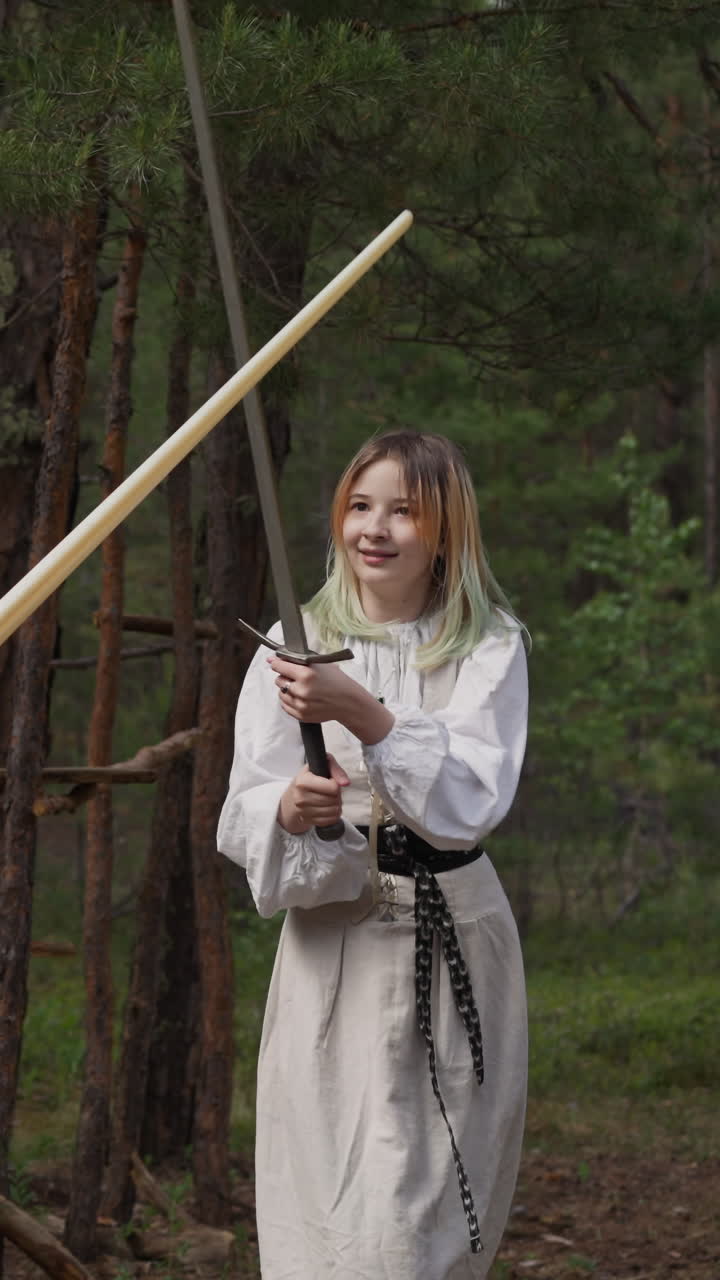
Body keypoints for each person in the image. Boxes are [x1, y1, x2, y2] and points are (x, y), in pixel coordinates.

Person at [217, 430, 529, 1280]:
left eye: (404, 509)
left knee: (416, 1214)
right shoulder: (293, 639)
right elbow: (245, 803)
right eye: (361, 505)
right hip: (334, 950)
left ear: (446, 533)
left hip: (453, 937)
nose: (375, 527)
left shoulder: (487, 644)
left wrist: (361, 709)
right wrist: (292, 809)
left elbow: (470, 800)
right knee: (330, 1199)